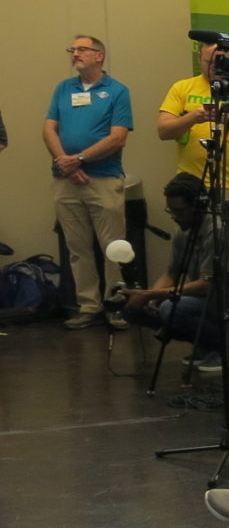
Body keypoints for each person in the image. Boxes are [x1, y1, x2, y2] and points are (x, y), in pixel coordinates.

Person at [117, 172, 229, 371]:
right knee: (135, 308)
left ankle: (228, 344)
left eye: (180, 211)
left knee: (171, 308)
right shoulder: (183, 229)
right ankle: (207, 345)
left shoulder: (217, 232)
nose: (174, 217)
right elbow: (172, 273)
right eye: (171, 210)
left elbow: (207, 285)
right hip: (209, 301)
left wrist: (150, 294)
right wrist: (149, 300)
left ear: (198, 207)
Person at [44, 33, 133, 329]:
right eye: (73, 49)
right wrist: (67, 165)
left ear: (99, 56)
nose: (75, 53)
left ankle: (116, 304)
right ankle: (88, 305)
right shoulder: (63, 88)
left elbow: (118, 137)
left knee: (113, 248)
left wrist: (79, 159)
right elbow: (49, 130)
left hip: (103, 179)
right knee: (77, 247)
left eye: (82, 49)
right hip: (66, 181)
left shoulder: (117, 91)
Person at [157, 37, 229, 190]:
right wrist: (192, 118)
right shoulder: (182, 87)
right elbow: (163, 131)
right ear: (199, 58)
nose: (214, 67)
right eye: (209, 62)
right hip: (190, 184)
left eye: (220, 62)